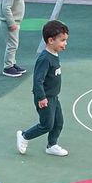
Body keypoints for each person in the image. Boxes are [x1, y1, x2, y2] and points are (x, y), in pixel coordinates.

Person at [16, 19, 69, 157]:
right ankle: (24, 136)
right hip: (45, 98)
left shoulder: (54, 54)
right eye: (62, 40)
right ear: (51, 41)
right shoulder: (45, 58)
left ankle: (52, 145)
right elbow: (37, 80)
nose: (65, 44)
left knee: (58, 122)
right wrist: (41, 97)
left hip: (54, 96)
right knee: (46, 124)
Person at [0, 0, 28, 78]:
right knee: (12, 45)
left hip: (15, 22)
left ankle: (12, 63)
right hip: (10, 22)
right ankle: (8, 67)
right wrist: (11, 23)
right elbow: (6, 7)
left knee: (14, 44)